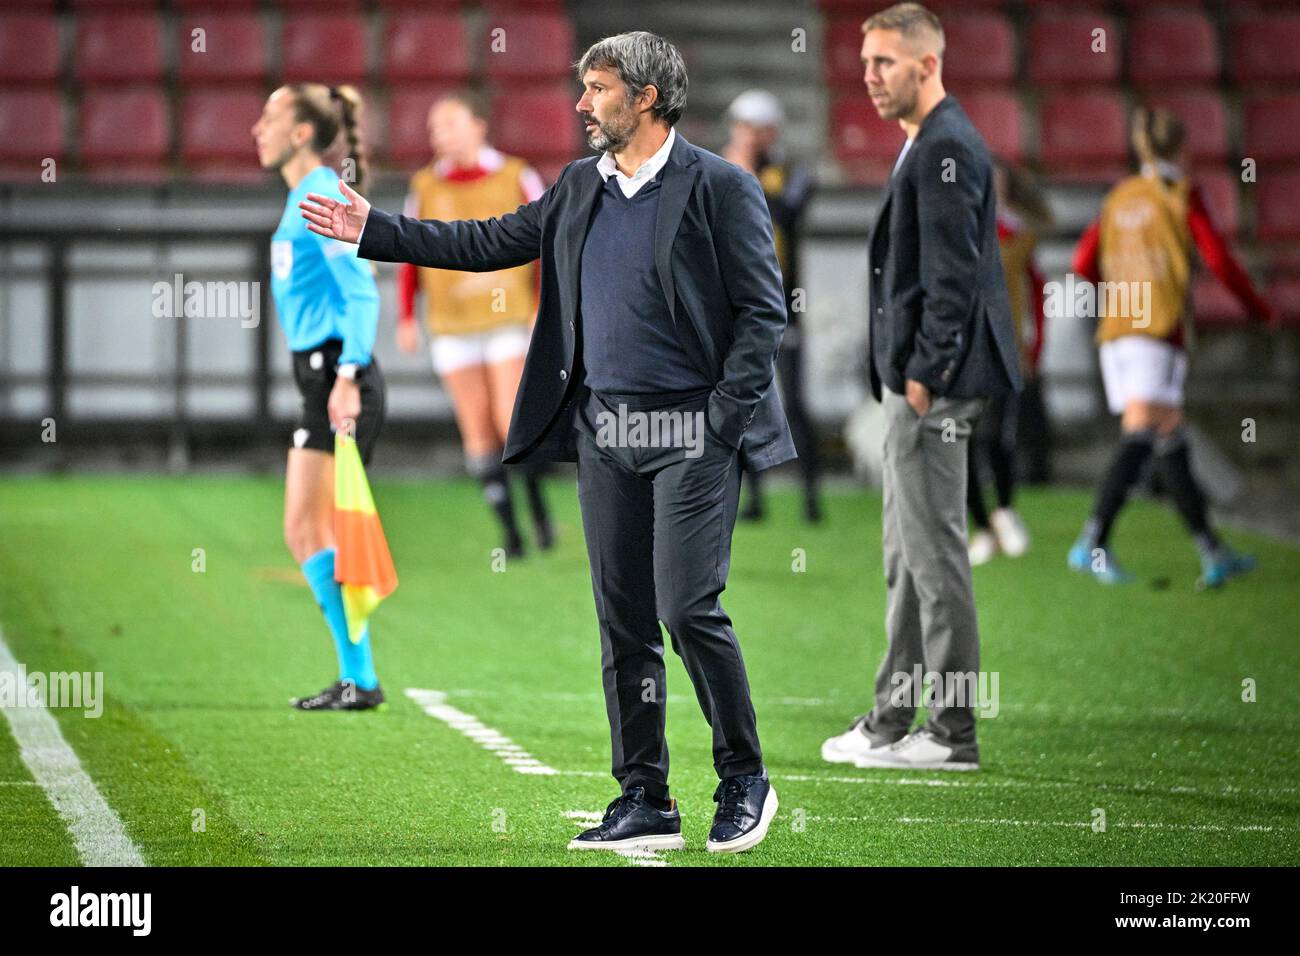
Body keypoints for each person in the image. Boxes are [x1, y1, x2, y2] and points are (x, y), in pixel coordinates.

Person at [299, 31, 794, 853]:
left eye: (597, 88)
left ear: (644, 97)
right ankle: (646, 796)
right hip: (606, 431)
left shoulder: (722, 187)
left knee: (686, 607)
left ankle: (745, 778)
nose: (580, 104)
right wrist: (373, 230)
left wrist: (720, 424)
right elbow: (485, 241)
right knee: (624, 620)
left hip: (691, 434)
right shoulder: (577, 187)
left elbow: (763, 314)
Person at [821, 3, 1021, 771]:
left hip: (934, 388)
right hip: (926, 385)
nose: (869, 77)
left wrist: (922, 378)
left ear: (927, 64)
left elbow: (953, 281)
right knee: (908, 559)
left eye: (884, 63)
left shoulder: (945, 148)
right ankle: (891, 721)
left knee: (934, 562)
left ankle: (953, 734)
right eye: (865, 62)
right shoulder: (931, 143)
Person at [1067, 107, 1274, 590]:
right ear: (1182, 148)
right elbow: (1220, 259)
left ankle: (1212, 551)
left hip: (1116, 330)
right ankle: (1092, 541)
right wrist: (1258, 309)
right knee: (1141, 438)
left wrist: (1120, 289)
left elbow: (1082, 261)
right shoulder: (1182, 194)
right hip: (1156, 330)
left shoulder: (1119, 196)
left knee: (1169, 439)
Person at [252, 83, 387, 711]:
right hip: (321, 373)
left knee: (308, 530)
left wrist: (348, 375)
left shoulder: (321, 192)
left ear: (302, 132)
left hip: (338, 373)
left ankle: (360, 676)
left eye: (271, 117)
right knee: (313, 532)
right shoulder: (306, 194)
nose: (258, 128)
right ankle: (357, 676)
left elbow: (362, 290)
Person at [395, 92, 554, 559]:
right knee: (477, 429)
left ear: (478, 125)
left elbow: (549, 239)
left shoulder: (515, 175)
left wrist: (542, 302)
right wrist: (407, 315)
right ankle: (511, 533)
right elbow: (409, 250)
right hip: (451, 321)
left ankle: (539, 509)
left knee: (510, 418)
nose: (439, 135)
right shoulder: (425, 185)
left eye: (448, 123)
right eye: (433, 128)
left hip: (507, 314)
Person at [721, 89, 823, 523]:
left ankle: (811, 497)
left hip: (783, 304)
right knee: (742, 402)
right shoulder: (721, 169)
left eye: (756, 129)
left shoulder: (793, 173)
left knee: (795, 403)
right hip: (736, 305)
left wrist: (745, 174)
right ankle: (754, 498)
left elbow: (785, 213)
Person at [967, 161, 1050, 565]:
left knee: (999, 435)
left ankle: (1003, 511)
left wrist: (1036, 345)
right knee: (962, 441)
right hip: (963, 351)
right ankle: (982, 526)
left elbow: (1037, 292)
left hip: (1004, 348)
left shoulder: (1019, 235)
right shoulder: (957, 231)